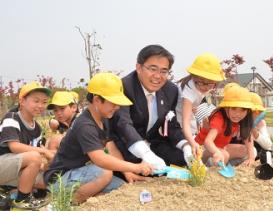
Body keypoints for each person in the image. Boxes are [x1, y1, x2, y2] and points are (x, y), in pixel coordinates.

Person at [44, 72, 153, 204]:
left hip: (82, 172)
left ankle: (89, 197)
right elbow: (100, 159)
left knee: (120, 186)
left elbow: (112, 149)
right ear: (97, 100)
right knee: (105, 172)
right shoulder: (84, 125)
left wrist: (127, 172)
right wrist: (136, 167)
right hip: (60, 179)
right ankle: (67, 202)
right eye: (113, 103)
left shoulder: (104, 118)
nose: (117, 107)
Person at [112, 44, 193, 170]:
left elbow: (171, 125)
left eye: (163, 71)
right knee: (145, 168)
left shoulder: (170, 90)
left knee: (182, 159)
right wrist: (146, 154)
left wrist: (185, 146)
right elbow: (124, 124)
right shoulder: (124, 87)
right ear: (139, 67)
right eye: (152, 69)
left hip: (153, 142)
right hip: (127, 144)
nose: (157, 76)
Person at [0, 82, 54, 209]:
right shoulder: (12, 118)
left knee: (47, 179)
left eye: (44, 102)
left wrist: (47, 164)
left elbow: (36, 162)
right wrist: (45, 153)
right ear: (22, 101)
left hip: (15, 168)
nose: (40, 105)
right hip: (3, 163)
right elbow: (14, 146)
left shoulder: (38, 129)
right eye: (36, 101)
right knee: (34, 157)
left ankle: (9, 191)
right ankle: (22, 199)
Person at [175, 53, 225, 157]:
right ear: (193, 77)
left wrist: (192, 108)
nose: (206, 87)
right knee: (190, 149)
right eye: (202, 82)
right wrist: (193, 143)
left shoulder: (200, 86)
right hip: (177, 124)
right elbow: (185, 124)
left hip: (188, 120)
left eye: (210, 83)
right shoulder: (188, 92)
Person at [195, 83, 255, 166]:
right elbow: (207, 141)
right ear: (226, 107)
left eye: (243, 110)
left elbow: (248, 137)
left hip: (221, 147)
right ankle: (208, 165)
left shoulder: (241, 119)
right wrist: (216, 152)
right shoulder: (218, 118)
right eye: (234, 109)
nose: (238, 114)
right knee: (224, 155)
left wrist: (251, 158)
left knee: (248, 151)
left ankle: (225, 164)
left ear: (247, 111)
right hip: (202, 149)